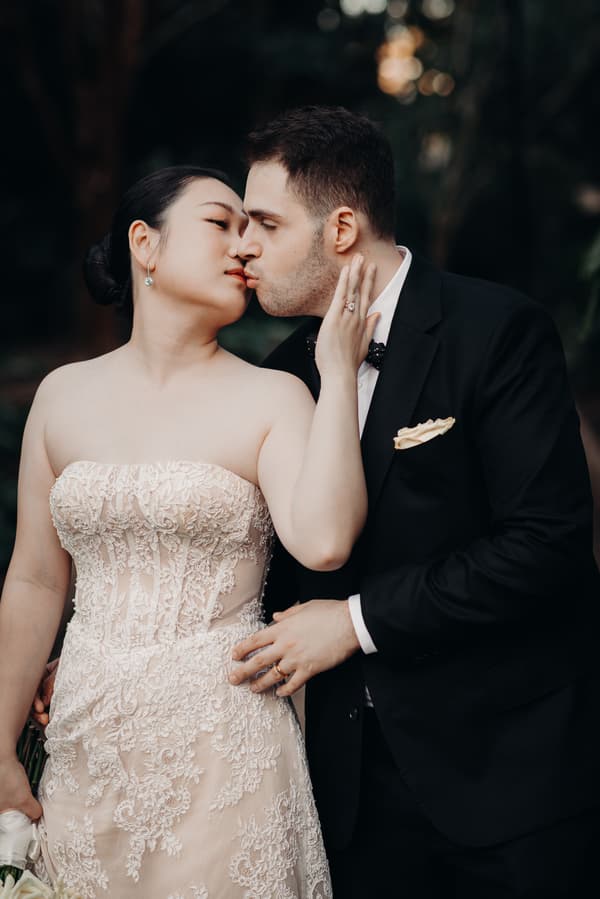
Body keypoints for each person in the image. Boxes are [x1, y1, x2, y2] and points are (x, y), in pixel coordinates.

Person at [225, 107, 600, 897]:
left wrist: (356, 622)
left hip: (506, 780)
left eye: (263, 222)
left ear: (341, 228)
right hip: (349, 801)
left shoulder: (496, 330)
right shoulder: (283, 372)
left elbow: (546, 544)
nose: (241, 246)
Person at [0, 164, 380, 898]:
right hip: (84, 743)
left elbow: (326, 539)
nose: (245, 244)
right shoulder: (60, 397)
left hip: (223, 750)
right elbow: (36, 578)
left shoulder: (274, 394)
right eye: (221, 222)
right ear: (144, 244)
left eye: (253, 228)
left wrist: (338, 376)